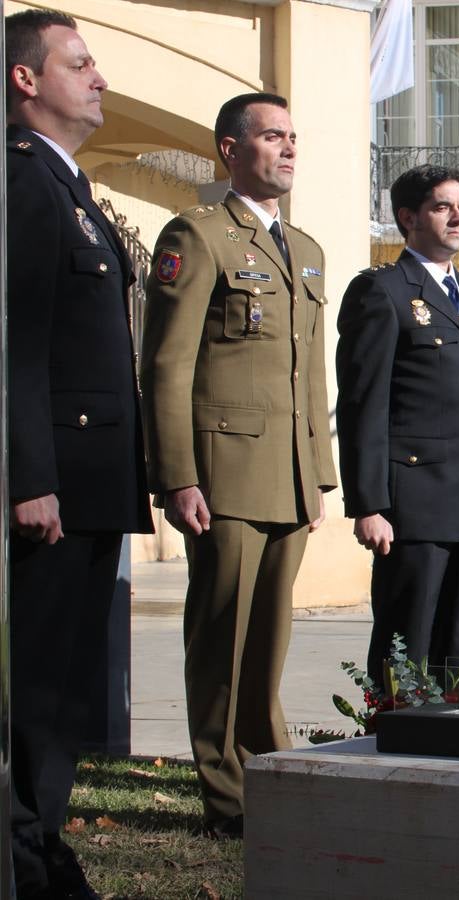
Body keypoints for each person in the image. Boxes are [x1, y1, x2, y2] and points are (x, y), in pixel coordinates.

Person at [140, 92, 337, 837]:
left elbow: (309, 372)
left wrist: (316, 471)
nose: (287, 149)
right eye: (271, 137)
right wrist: (178, 475)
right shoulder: (197, 235)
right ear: (230, 149)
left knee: (269, 639)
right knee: (222, 637)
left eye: (293, 137)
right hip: (221, 472)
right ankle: (226, 795)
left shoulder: (306, 249)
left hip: (286, 475)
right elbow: (168, 364)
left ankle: (265, 773)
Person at [6, 11, 155, 895]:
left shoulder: (71, 189)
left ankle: (41, 841)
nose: (99, 78)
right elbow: (15, 343)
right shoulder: (24, 183)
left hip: (92, 484)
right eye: (81, 62)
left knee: (66, 693)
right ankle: (25, 852)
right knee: (39, 689)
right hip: (53, 488)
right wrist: (30, 478)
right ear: (27, 80)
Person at [335, 163, 459, 683]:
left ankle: (455, 747)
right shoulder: (383, 291)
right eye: (442, 207)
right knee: (406, 641)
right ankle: (391, 747)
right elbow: (363, 405)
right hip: (414, 501)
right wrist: (368, 504)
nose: (457, 217)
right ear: (407, 217)